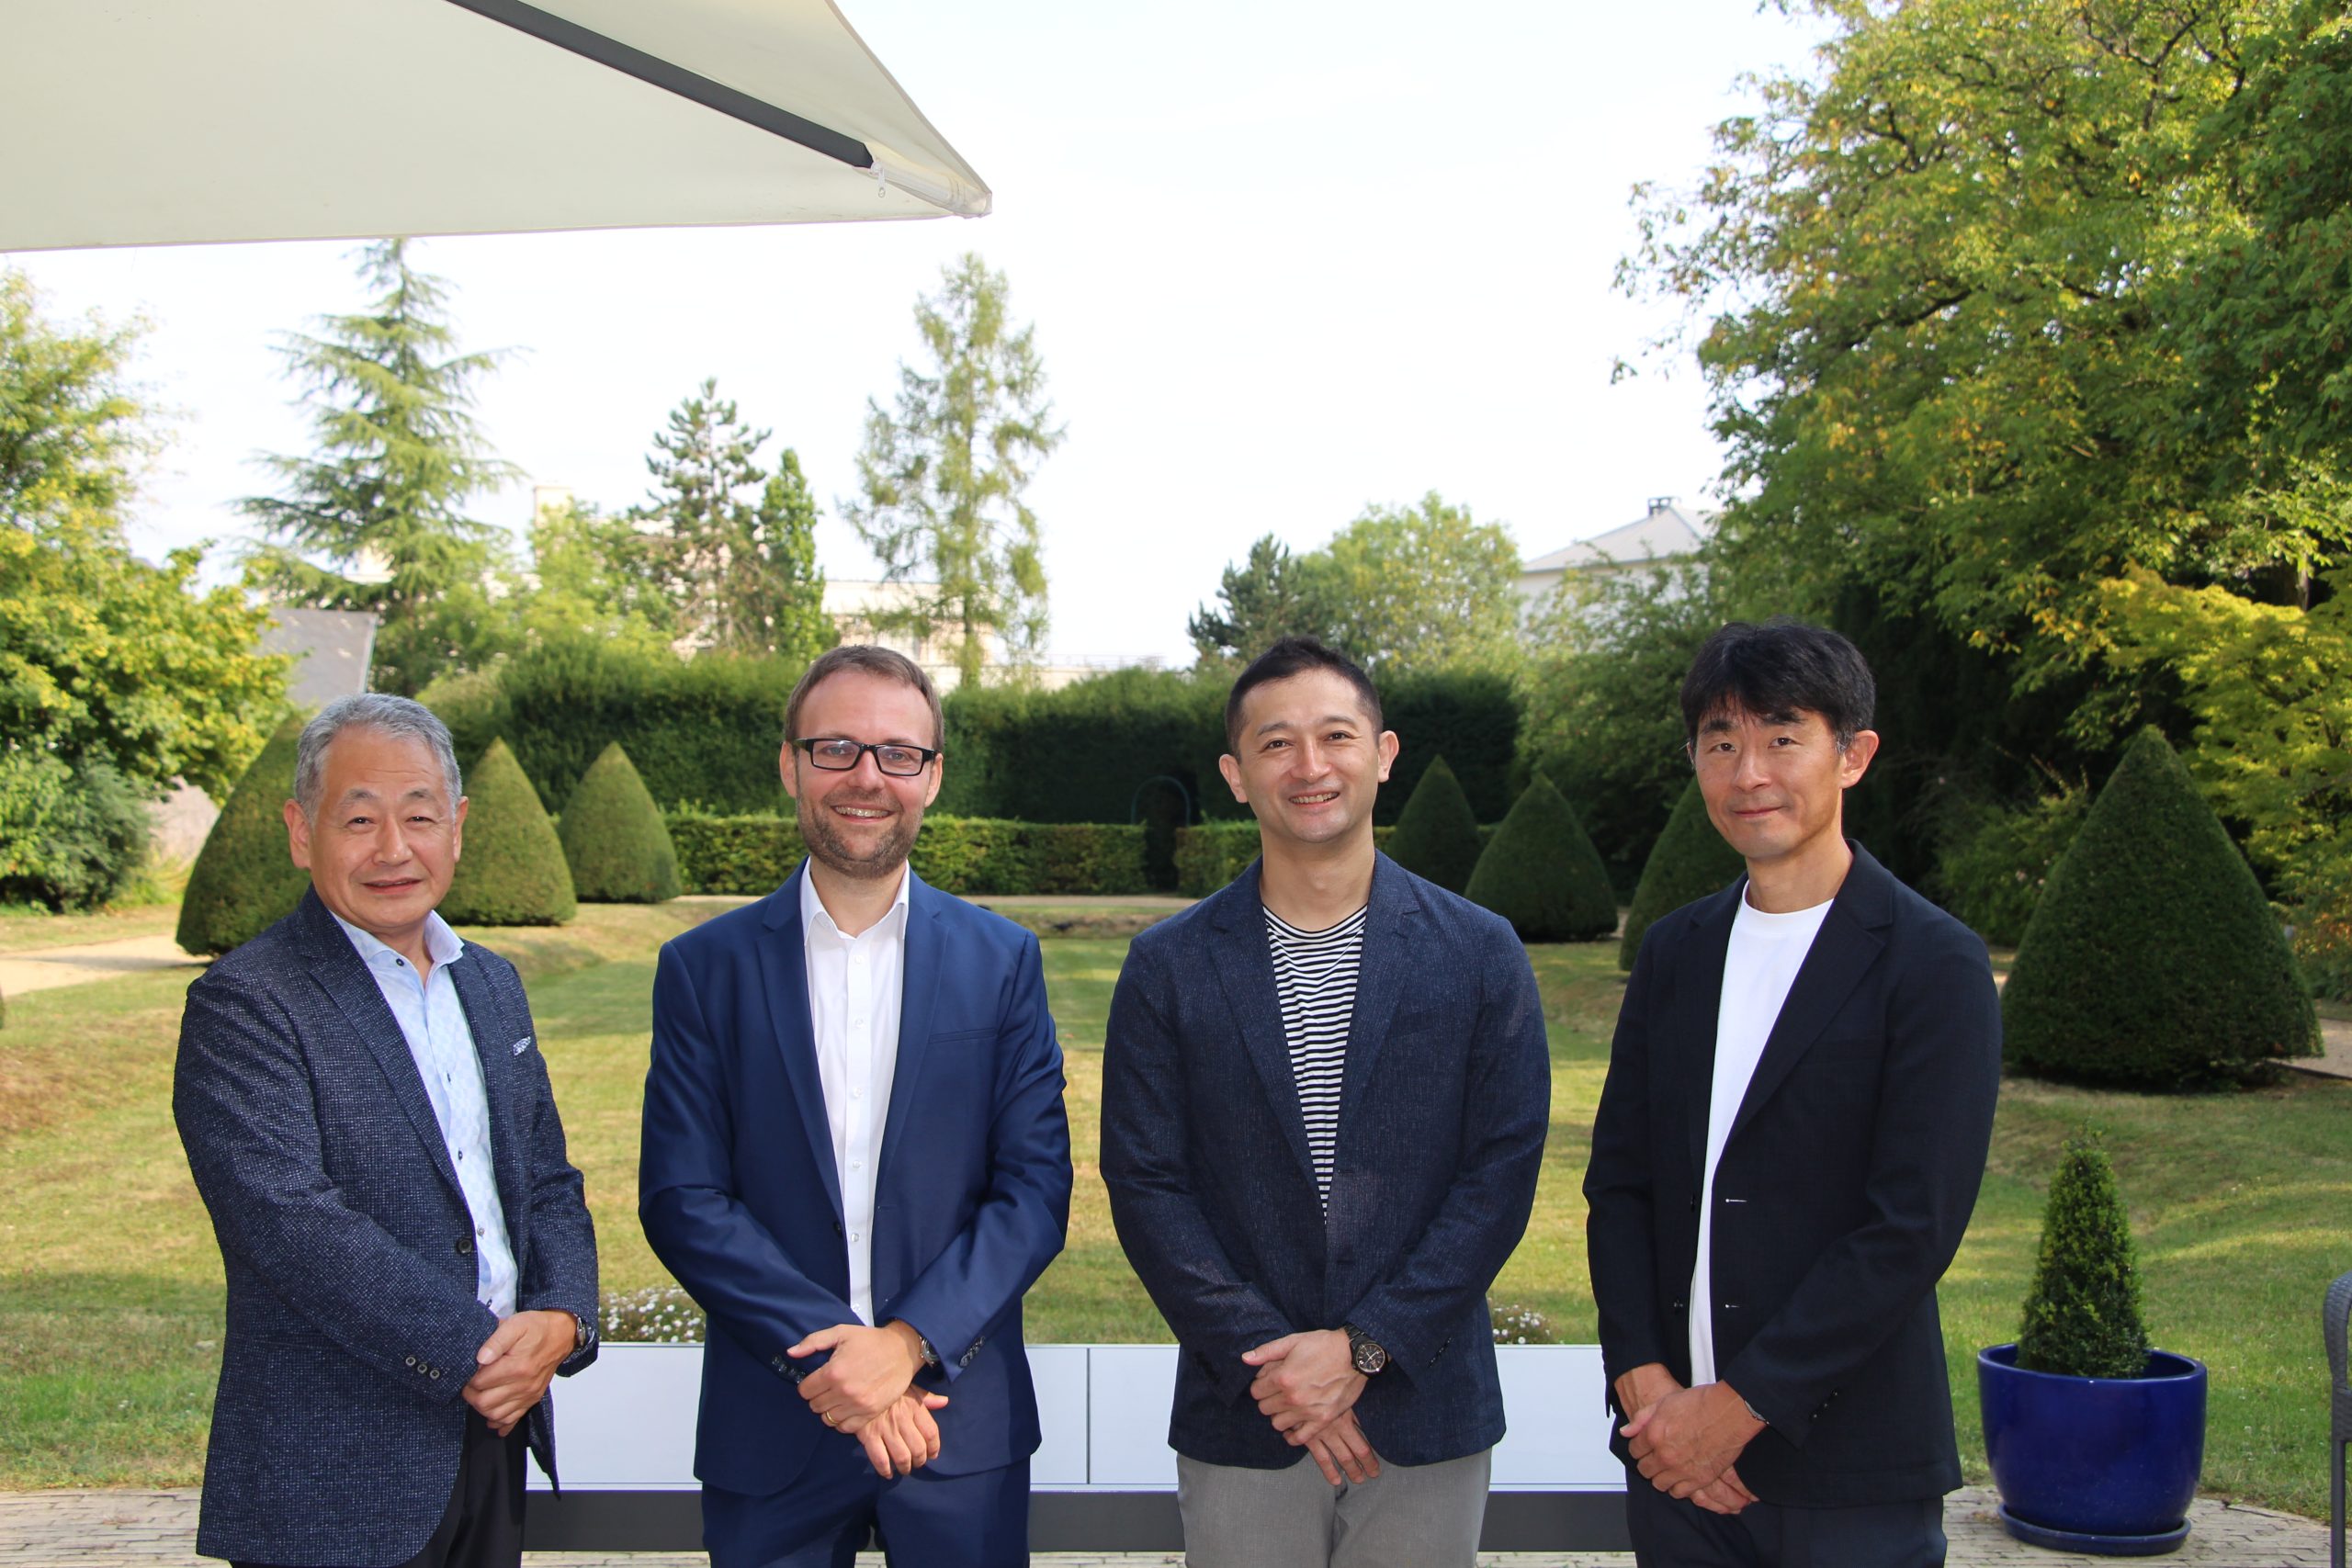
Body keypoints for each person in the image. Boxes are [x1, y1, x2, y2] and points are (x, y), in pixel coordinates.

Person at [1101, 637, 1551, 1568]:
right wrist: (1276, 1363)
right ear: (1235, 775)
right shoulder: (1167, 966)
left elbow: (1500, 1175)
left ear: (1383, 754)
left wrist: (1365, 1348)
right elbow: (1146, 1184)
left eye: (1336, 736)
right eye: (1276, 743)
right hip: (1249, 1412)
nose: (1309, 765)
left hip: (1422, 1411)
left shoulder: (1480, 953)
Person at [639, 645, 1072, 1568]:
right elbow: (683, 1199)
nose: (867, 777)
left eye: (897, 753)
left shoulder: (1002, 963)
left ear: (933, 775)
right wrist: (844, 1363)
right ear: (789, 764)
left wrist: (908, 1344)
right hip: (774, 1428)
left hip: (957, 1428)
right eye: (835, 748)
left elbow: (1034, 1193)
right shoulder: (704, 969)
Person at [1583, 619, 2003, 1567]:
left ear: (1853, 754)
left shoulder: (1932, 963)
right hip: (1672, 1466)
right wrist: (1643, 1380)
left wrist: (1737, 1411)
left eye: (1782, 737)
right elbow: (1620, 1184)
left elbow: (1910, 1227)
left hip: (1847, 1471)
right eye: (1720, 743)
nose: (1749, 774)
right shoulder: (1674, 953)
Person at [174, 694, 600, 1568]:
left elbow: (546, 1177)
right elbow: (289, 1224)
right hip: (334, 1474)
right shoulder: (246, 1002)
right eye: (360, 819)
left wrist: (564, 1315)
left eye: (420, 816)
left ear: (459, 826)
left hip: (494, 1439)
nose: (394, 848)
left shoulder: (490, 983)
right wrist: (480, 1350)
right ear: (302, 832)